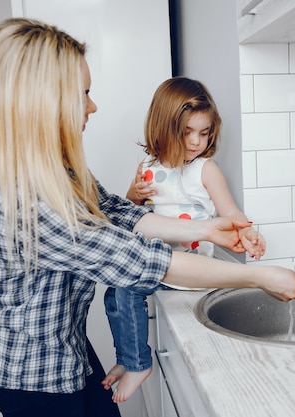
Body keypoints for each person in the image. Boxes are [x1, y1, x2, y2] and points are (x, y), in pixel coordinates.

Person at [0, 18, 295, 417]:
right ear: (43, 103)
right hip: (28, 370)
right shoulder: (22, 200)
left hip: (62, 346)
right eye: (84, 94)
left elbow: (119, 214)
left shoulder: (58, 171)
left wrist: (207, 229)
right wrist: (259, 276)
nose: (93, 106)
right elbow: (138, 260)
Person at [102, 77, 267, 403]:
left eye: (204, 133)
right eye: (188, 132)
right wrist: (134, 195)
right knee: (113, 292)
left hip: (191, 269)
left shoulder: (206, 169)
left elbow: (230, 212)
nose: (196, 142)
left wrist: (248, 232)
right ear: (164, 127)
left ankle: (137, 364)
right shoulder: (147, 168)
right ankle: (126, 357)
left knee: (125, 287)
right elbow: (129, 218)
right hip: (157, 265)